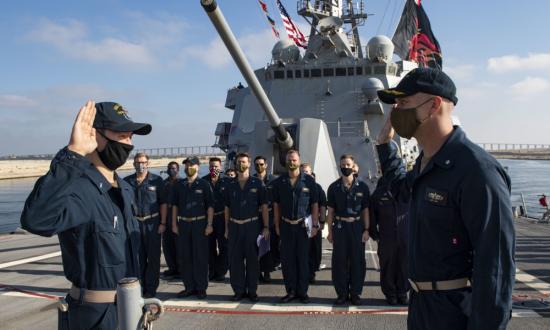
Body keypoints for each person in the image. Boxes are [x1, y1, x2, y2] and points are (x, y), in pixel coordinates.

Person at [376, 67, 515, 329]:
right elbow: (401, 191)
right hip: (421, 307)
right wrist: (384, 147)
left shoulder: (476, 171)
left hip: (454, 313)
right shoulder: (425, 163)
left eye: (404, 102)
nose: (396, 112)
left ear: (433, 106)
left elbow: (495, 267)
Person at [20, 101, 151, 329]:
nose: (128, 143)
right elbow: (36, 219)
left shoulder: (125, 190)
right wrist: (74, 154)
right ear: (94, 134)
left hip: (131, 310)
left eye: (130, 136)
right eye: (121, 134)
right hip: (94, 318)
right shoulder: (77, 189)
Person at [272, 150, 319, 304]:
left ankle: (302, 292)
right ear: (285, 162)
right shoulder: (279, 182)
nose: (291, 162)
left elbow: (314, 205)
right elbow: (276, 205)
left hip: (302, 227)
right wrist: (277, 225)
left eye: (294, 160)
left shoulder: (309, 182)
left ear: (299, 161)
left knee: (303, 260)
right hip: (286, 226)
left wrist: (315, 225)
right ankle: (290, 291)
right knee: (287, 261)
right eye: (289, 160)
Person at [223, 153, 270, 302]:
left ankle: (252, 290)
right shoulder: (230, 185)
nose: (241, 164)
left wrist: (266, 227)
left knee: (252, 261)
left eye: (243, 162)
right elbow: (227, 208)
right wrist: (226, 228)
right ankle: (238, 290)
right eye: (238, 162)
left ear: (249, 164)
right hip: (235, 226)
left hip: (252, 226)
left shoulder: (258, 184)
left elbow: (264, 207)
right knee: (235, 261)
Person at [326, 154, 370, 306]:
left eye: (348, 164)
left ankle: (356, 293)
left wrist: (366, 229)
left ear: (353, 166)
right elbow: (330, 211)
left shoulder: (363, 187)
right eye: (343, 164)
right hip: (340, 227)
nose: (345, 167)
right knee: (339, 261)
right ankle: (342, 293)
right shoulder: (333, 187)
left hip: (357, 227)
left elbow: (365, 211)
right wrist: (329, 232)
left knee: (358, 261)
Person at [172, 156, 214, 299]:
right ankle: (189, 287)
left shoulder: (204, 184)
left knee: (200, 257)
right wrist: (174, 224)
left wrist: (209, 224)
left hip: (200, 224)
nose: (188, 167)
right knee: (185, 257)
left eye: (191, 165)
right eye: (186, 165)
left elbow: (210, 206)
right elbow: (175, 206)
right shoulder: (179, 185)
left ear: (197, 166)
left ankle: (201, 288)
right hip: (183, 224)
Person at [124, 152, 165, 298]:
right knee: (138, 258)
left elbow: (163, 203)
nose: (140, 165)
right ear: (134, 164)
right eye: (137, 162)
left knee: (153, 258)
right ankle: (139, 288)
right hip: (135, 224)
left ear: (148, 163)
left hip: (153, 224)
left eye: (143, 162)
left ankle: (151, 289)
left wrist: (163, 223)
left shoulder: (157, 180)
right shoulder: (127, 182)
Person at [369, 177, 409, 305]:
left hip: (405, 236)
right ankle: (390, 294)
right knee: (388, 265)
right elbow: (372, 216)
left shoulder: (408, 191)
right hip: (386, 237)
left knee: (404, 265)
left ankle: (402, 292)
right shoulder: (379, 193)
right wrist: (375, 235)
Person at [202, 157, 229, 281]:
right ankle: (211, 271)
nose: (214, 169)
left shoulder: (228, 181)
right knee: (209, 246)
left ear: (221, 167)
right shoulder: (203, 181)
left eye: (216, 166)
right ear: (209, 167)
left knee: (224, 246)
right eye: (212, 166)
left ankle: (221, 271)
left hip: (223, 218)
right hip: (208, 219)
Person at [300, 163, 327, 284]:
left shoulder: (317, 188)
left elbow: (322, 205)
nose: (305, 174)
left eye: (307, 172)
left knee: (314, 249)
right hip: (299, 223)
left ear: (312, 173)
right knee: (301, 250)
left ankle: (311, 273)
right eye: (303, 172)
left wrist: (321, 222)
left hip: (313, 222)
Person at [253, 155, 278, 283]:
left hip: (271, 216)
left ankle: (267, 271)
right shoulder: (251, 180)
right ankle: (257, 272)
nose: (259, 166)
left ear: (266, 165)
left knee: (269, 245)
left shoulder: (274, 180)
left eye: (261, 164)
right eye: (257, 164)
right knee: (256, 245)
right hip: (256, 217)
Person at [160, 161, 182, 278]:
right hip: (166, 217)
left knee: (179, 245)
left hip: (177, 217)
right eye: (169, 168)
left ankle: (180, 269)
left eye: (173, 168)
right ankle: (172, 268)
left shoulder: (182, 183)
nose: (171, 170)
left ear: (178, 169)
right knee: (167, 245)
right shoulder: (164, 183)